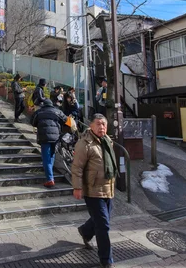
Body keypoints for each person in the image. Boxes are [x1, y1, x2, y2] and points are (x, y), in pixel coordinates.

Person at [72, 114, 118, 268]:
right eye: (98, 124)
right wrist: (77, 187)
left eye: (104, 124)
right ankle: (106, 260)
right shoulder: (84, 143)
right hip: (92, 190)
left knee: (101, 220)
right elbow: (77, 167)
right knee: (103, 225)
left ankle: (85, 232)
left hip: (108, 188)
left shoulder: (107, 141)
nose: (102, 127)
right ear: (91, 126)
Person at [31, 98, 67, 188]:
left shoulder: (39, 112)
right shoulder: (57, 111)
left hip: (44, 137)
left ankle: (50, 179)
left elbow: (32, 122)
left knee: (46, 158)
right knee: (52, 155)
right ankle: (50, 175)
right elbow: (65, 120)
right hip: (55, 137)